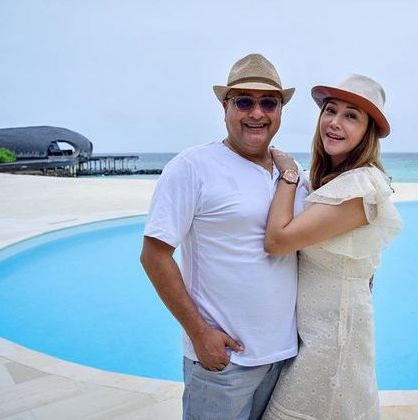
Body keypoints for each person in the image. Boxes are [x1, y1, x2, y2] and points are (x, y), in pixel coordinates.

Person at [140, 53, 309, 420]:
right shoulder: (192, 167)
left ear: (280, 110)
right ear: (225, 107)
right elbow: (154, 255)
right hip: (224, 362)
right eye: (244, 102)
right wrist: (199, 333)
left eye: (268, 103)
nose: (257, 113)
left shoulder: (292, 175)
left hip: (283, 358)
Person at [261, 74, 403, 419]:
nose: (335, 123)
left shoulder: (360, 186)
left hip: (332, 341)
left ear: (367, 132)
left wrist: (288, 175)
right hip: (314, 333)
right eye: (330, 110)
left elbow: (277, 241)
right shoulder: (331, 181)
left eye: (351, 116)